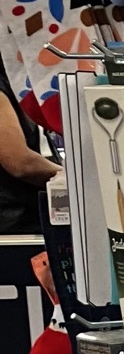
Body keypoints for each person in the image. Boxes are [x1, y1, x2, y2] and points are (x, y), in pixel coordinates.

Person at [0, 62, 60, 234]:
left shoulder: (20, 84)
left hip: (33, 214)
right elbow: (20, 163)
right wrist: (71, 178)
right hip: (16, 223)